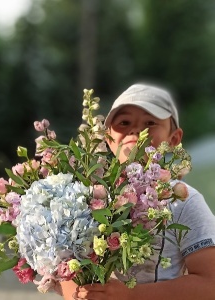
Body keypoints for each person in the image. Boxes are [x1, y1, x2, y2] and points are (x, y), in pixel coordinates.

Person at [60, 83, 215, 300]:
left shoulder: (183, 200)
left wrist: (130, 295)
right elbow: (62, 271)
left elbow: (210, 284)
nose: (135, 130)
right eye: (124, 122)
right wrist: (77, 292)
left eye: (150, 123)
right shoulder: (84, 196)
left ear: (174, 139)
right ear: (108, 137)